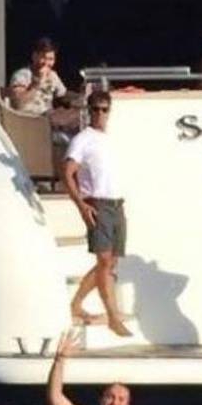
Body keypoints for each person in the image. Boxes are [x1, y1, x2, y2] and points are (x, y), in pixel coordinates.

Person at [62, 90, 132, 337]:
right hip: (98, 203)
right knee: (104, 261)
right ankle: (113, 316)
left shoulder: (109, 139)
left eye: (104, 109)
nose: (100, 114)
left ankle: (76, 303)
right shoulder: (83, 139)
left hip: (116, 204)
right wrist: (82, 205)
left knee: (110, 262)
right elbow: (67, 173)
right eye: (95, 109)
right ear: (89, 111)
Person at [47, 331, 139, 405]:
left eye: (121, 399)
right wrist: (59, 360)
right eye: (110, 397)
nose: (114, 403)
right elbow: (56, 397)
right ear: (101, 401)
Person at [8, 37, 79, 136]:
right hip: (30, 119)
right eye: (43, 58)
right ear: (34, 56)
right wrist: (36, 84)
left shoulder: (52, 75)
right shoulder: (22, 75)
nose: (46, 63)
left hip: (49, 118)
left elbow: (64, 95)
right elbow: (18, 103)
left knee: (80, 114)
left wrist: (82, 96)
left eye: (50, 59)